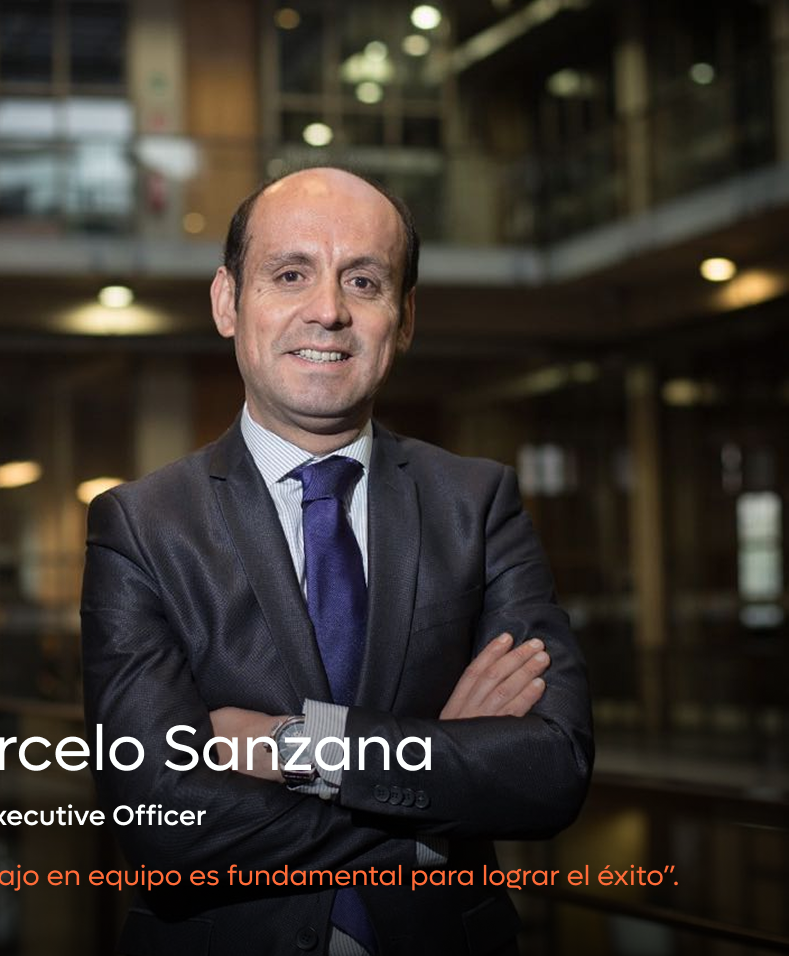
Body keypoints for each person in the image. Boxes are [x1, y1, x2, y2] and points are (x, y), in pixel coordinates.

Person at [81, 167, 593, 955]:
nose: (328, 311)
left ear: (405, 316)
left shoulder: (478, 504)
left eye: (364, 279)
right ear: (228, 302)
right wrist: (430, 795)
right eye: (290, 274)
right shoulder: (142, 526)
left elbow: (550, 770)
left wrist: (295, 745)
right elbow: (163, 824)